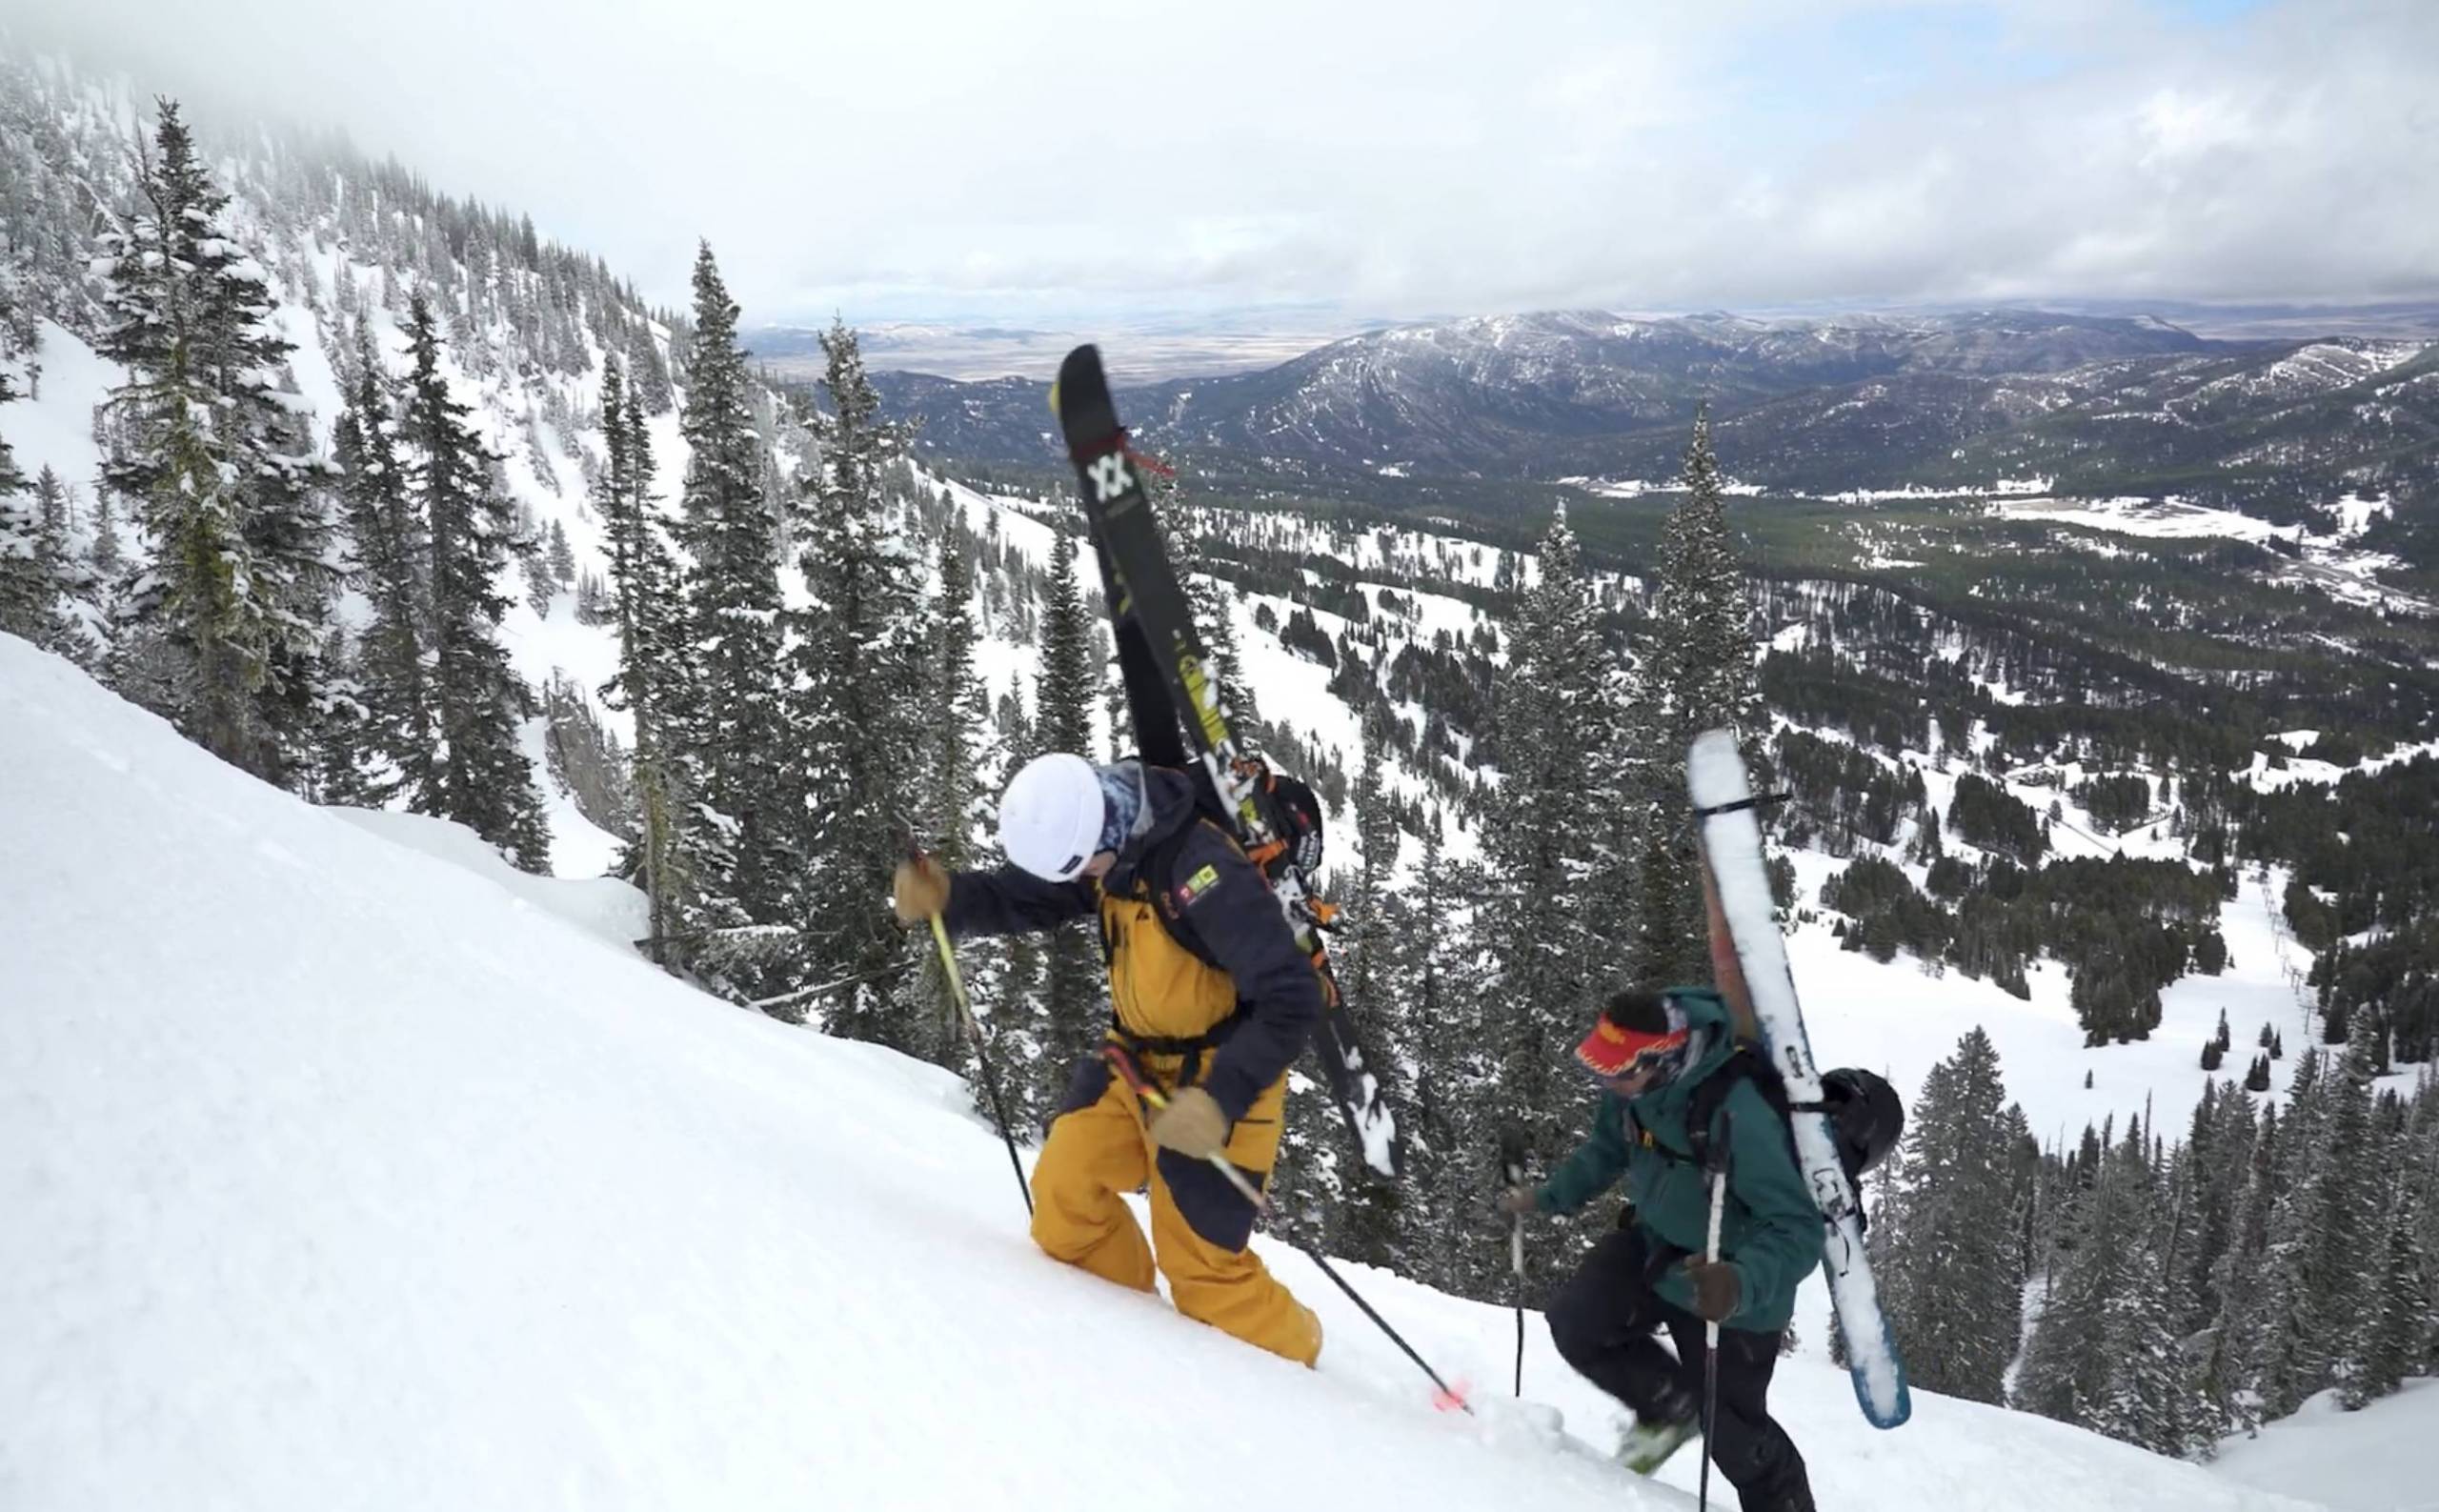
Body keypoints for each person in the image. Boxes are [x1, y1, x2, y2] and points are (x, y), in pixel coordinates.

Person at [892, 751, 1325, 1365]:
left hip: (1220, 1078)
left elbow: (1292, 996)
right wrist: (951, 897)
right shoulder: (1110, 833)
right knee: (1064, 1203)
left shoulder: (1202, 871)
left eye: (1083, 868)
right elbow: (1033, 896)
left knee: (1206, 1279)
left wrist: (1218, 1100)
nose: (1083, 882)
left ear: (1101, 832)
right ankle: (1130, 1342)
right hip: (1135, 1061)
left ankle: (1302, 1349)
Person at [1501, 985, 1822, 1511]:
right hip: (1657, 1246)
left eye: (1618, 1072)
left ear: (1666, 1059)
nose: (1608, 1082)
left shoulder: (1739, 1112)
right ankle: (1670, 1409)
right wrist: (1546, 1197)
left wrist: (1738, 1282)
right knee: (1578, 1321)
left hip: (1728, 1283)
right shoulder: (1633, 1088)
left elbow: (1799, 1227)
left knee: (1736, 1440)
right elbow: (1607, 1149)